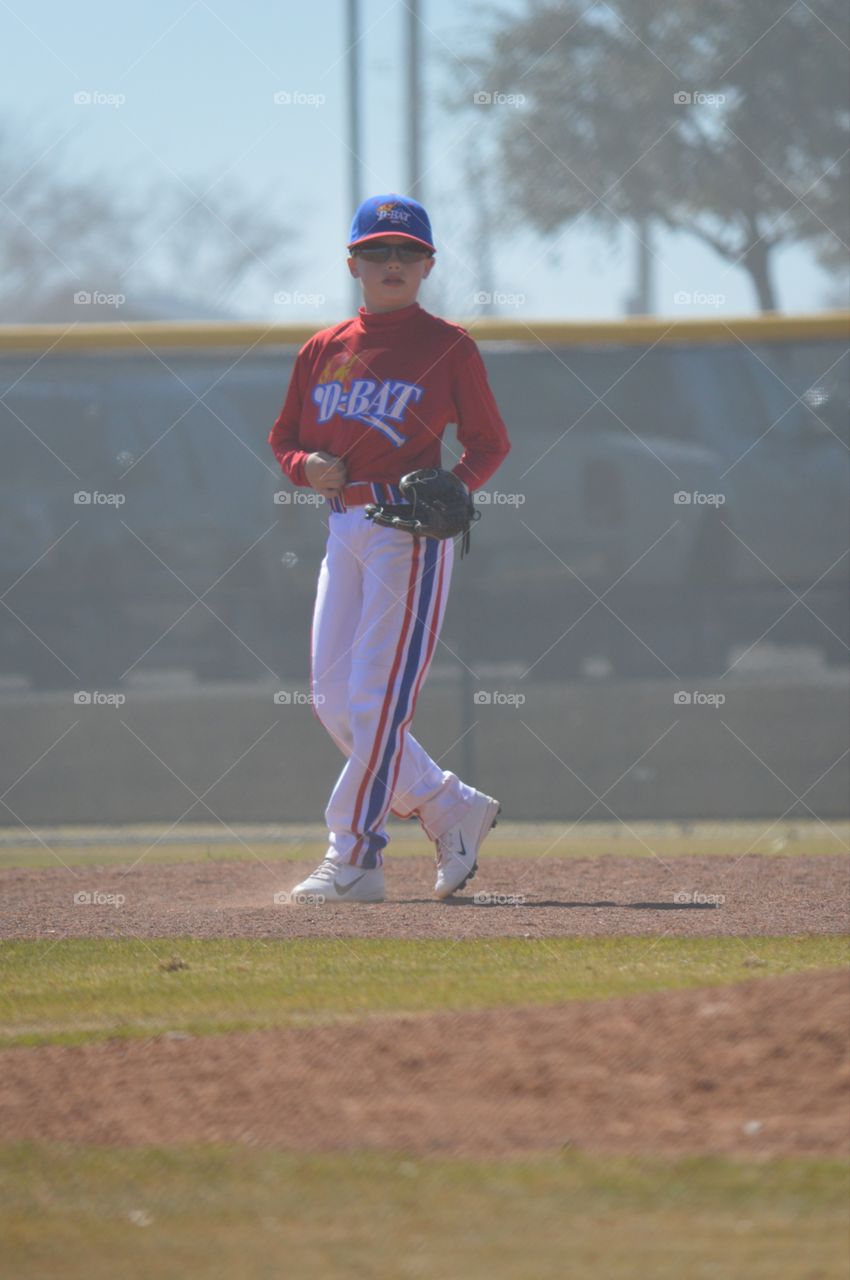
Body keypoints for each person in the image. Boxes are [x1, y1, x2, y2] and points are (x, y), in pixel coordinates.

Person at [268, 193, 511, 903]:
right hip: (342, 527)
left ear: (428, 263)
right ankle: (445, 803)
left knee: (374, 699)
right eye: (378, 251)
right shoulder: (322, 349)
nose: (393, 262)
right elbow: (285, 439)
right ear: (354, 263)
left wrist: (457, 490)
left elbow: (491, 442)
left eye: (407, 251)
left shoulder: (449, 345)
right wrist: (303, 469)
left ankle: (354, 856)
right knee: (333, 701)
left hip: (409, 532)